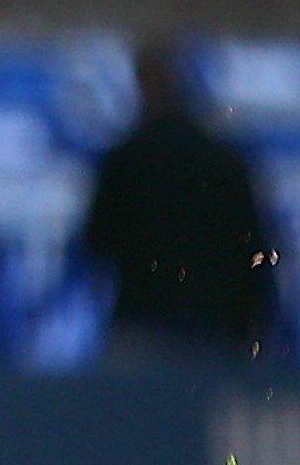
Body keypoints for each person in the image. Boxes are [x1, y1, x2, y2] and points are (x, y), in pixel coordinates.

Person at [78, 44, 278, 367]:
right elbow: (255, 252)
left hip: (146, 326)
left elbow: (96, 242)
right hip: (216, 331)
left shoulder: (126, 159)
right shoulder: (225, 161)